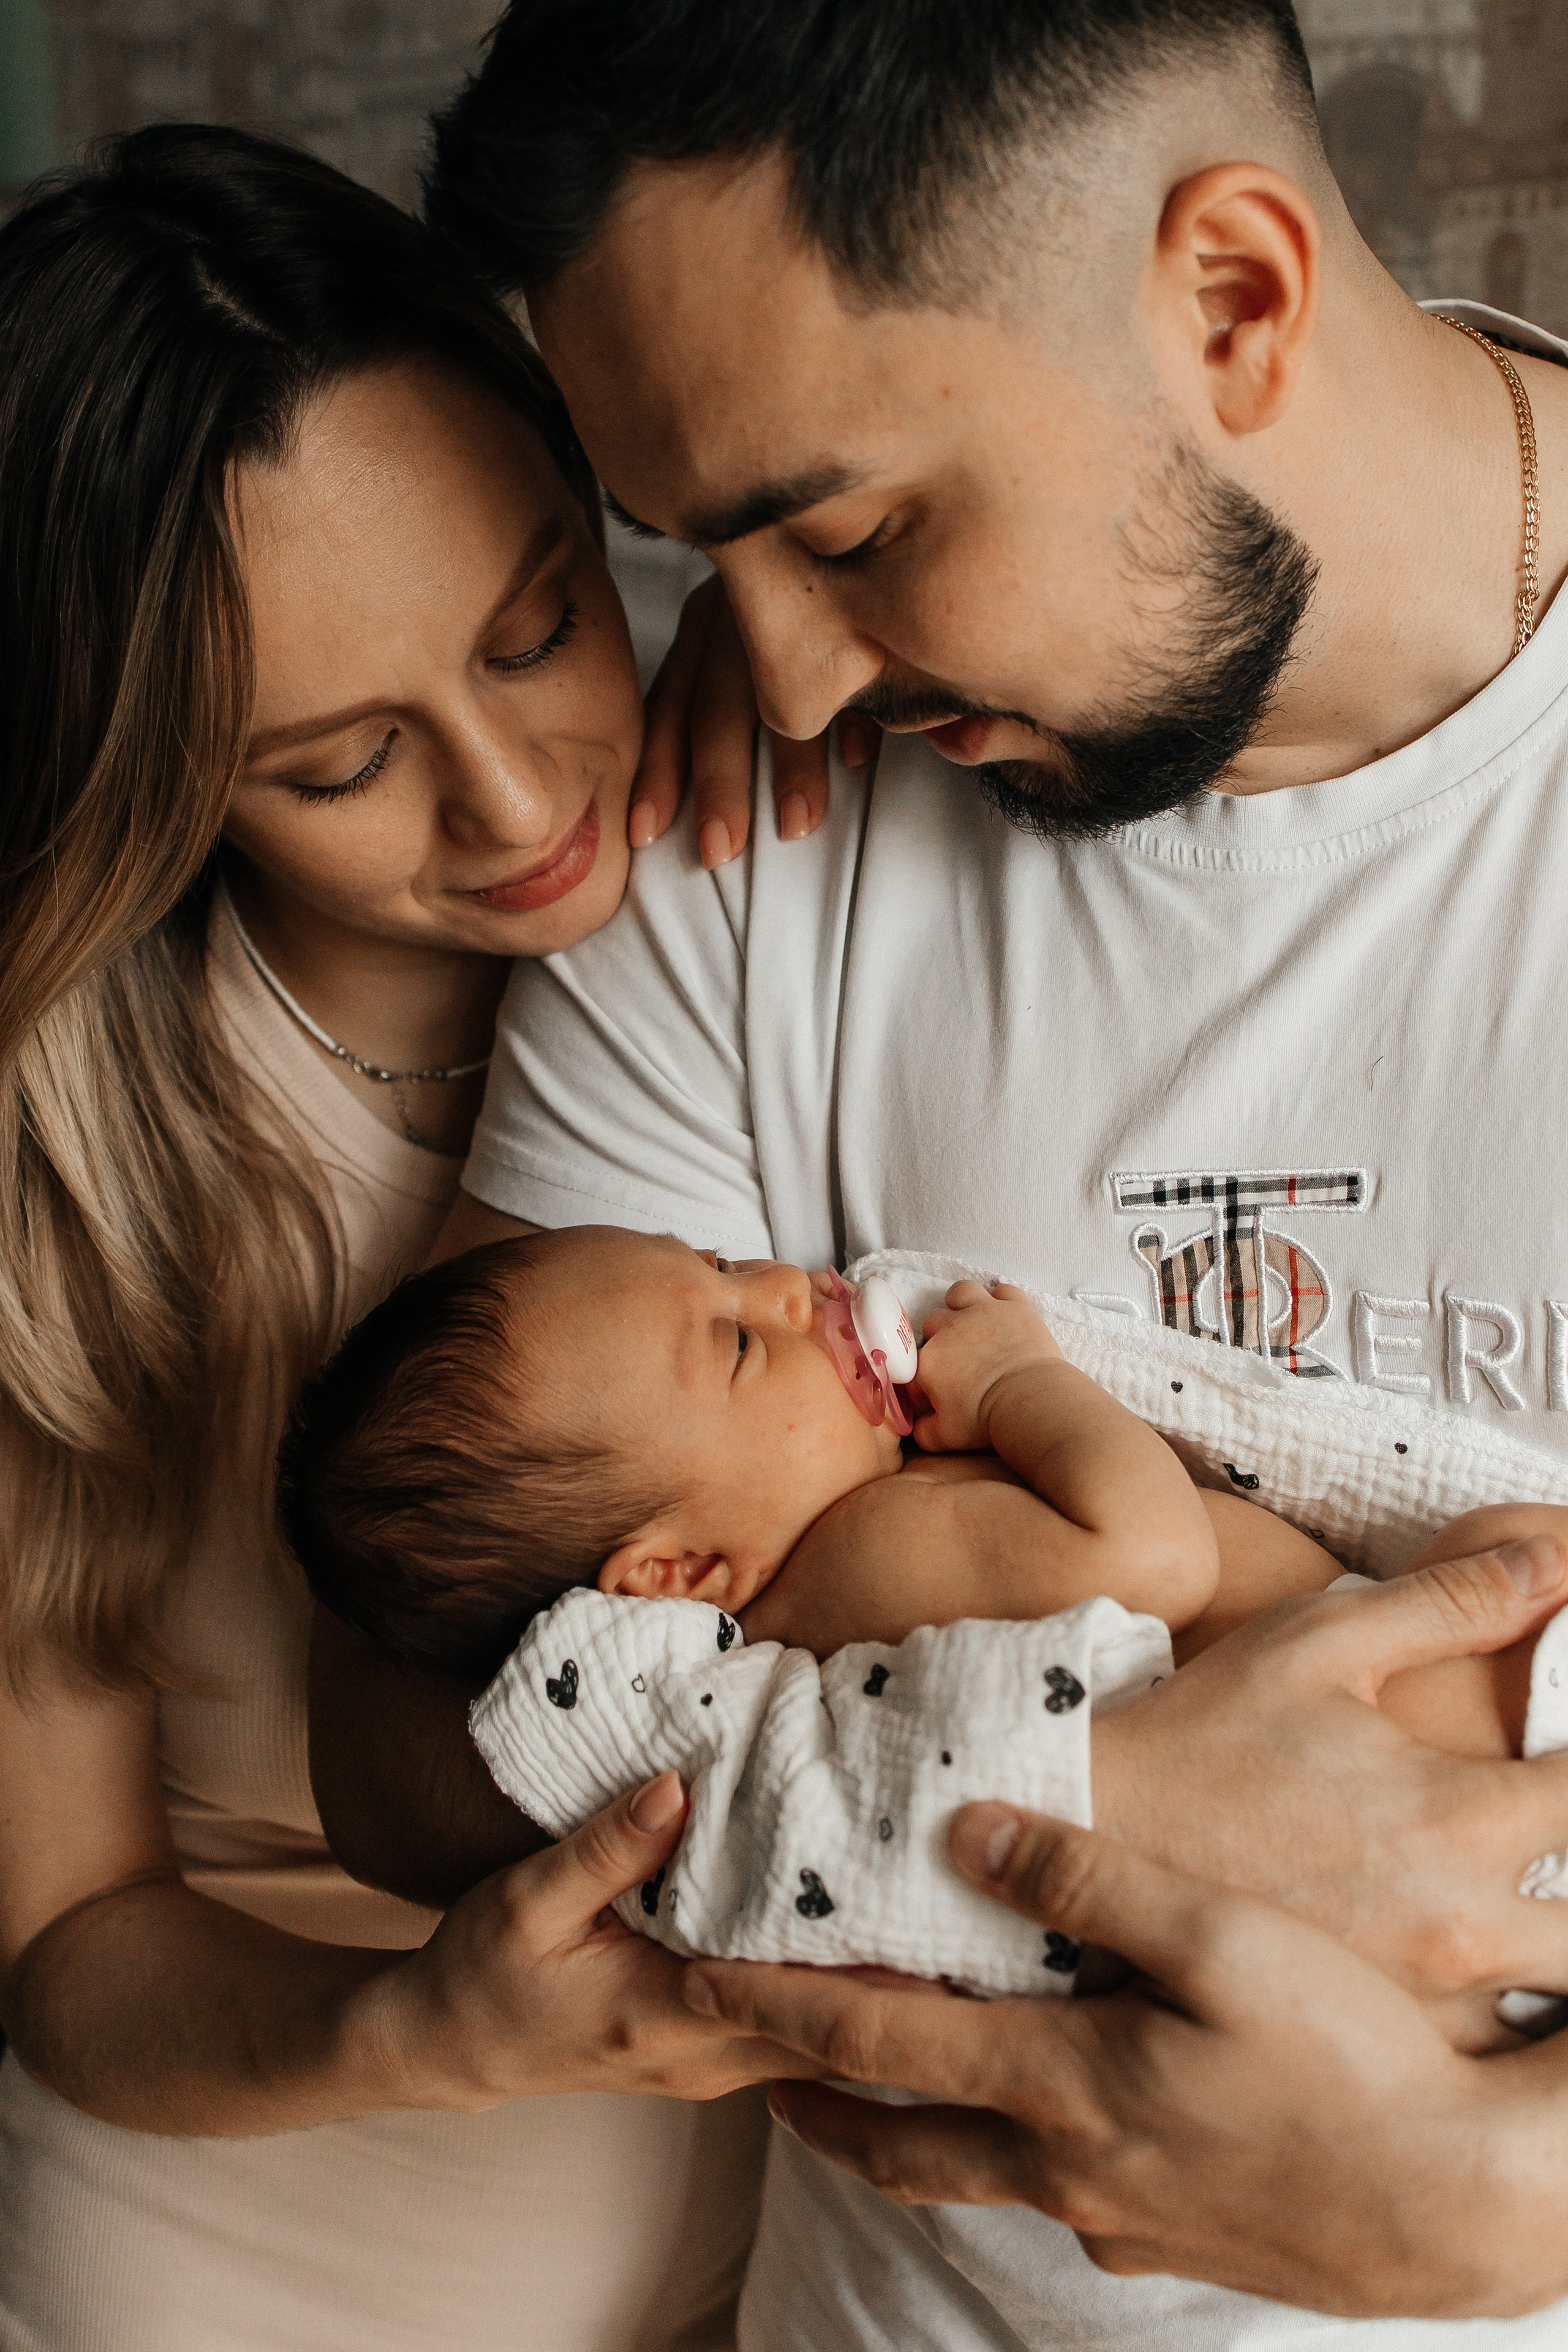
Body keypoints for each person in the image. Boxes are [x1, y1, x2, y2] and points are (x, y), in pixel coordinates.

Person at [306, 0, 1568, 2344]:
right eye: (701, 559)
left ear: (1232, 299)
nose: (775, 677)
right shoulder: (737, 830)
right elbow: (399, 1737)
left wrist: (1529, 2208)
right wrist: (988, 1803)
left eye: (853, 528)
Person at [0, 122, 827, 2352]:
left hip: (807, 2278)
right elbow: (73, 1945)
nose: (521, 791)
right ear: (152, 776)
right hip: (247, 2281)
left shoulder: (799, 806)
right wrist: (430, 2031)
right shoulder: (62, 1174)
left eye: (543, 619)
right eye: (345, 760)